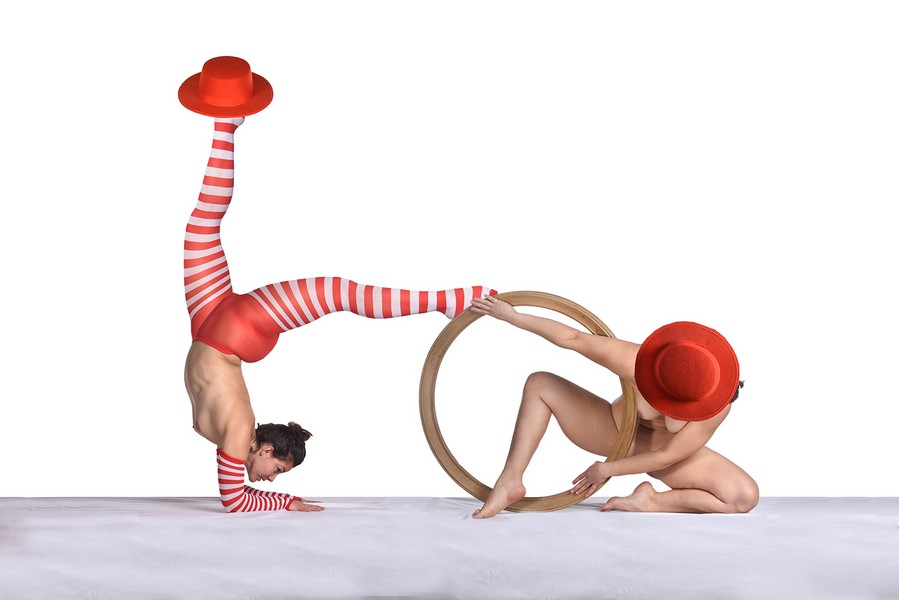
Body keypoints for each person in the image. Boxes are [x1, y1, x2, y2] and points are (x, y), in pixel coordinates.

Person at [179, 57, 496, 513]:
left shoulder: (239, 429)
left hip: (213, 326)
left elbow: (234, 501)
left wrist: (284, 502)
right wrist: (287, 502)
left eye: (277, 474)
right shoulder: (239, 428)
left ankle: (225, 125)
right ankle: (448, 300)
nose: (270, 479)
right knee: (335, 291)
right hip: (228, 331)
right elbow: (238, 501)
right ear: (265, 449)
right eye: (278, 471)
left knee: (205, 229)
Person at [467, 294, 758, 518]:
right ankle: (510, 480)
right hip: (611, 430)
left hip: (661, 452)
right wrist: (512, 316)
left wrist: (607, 470)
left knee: (743, 496)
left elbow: (667, 456)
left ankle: (649, 501)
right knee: (540, 383)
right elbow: (574, 338)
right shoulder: (637, 361)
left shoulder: (716, 404)